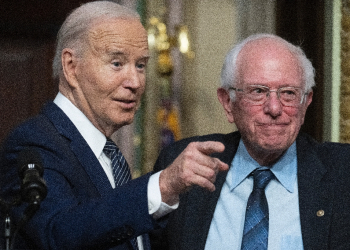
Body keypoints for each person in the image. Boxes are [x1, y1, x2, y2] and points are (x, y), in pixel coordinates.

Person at [0, 1, 228, 249]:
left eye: (140, 65)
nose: (135, 82)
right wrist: (161, 186)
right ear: (71, 67)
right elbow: (57, 235)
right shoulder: (33, 144)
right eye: (117, 63)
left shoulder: (108, 153)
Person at [153, 33, 350, 250]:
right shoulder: (184, 164)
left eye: (288, 93)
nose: (274, 108)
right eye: (258, 91)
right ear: (228, 102)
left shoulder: (343, 173)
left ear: (305, 103)